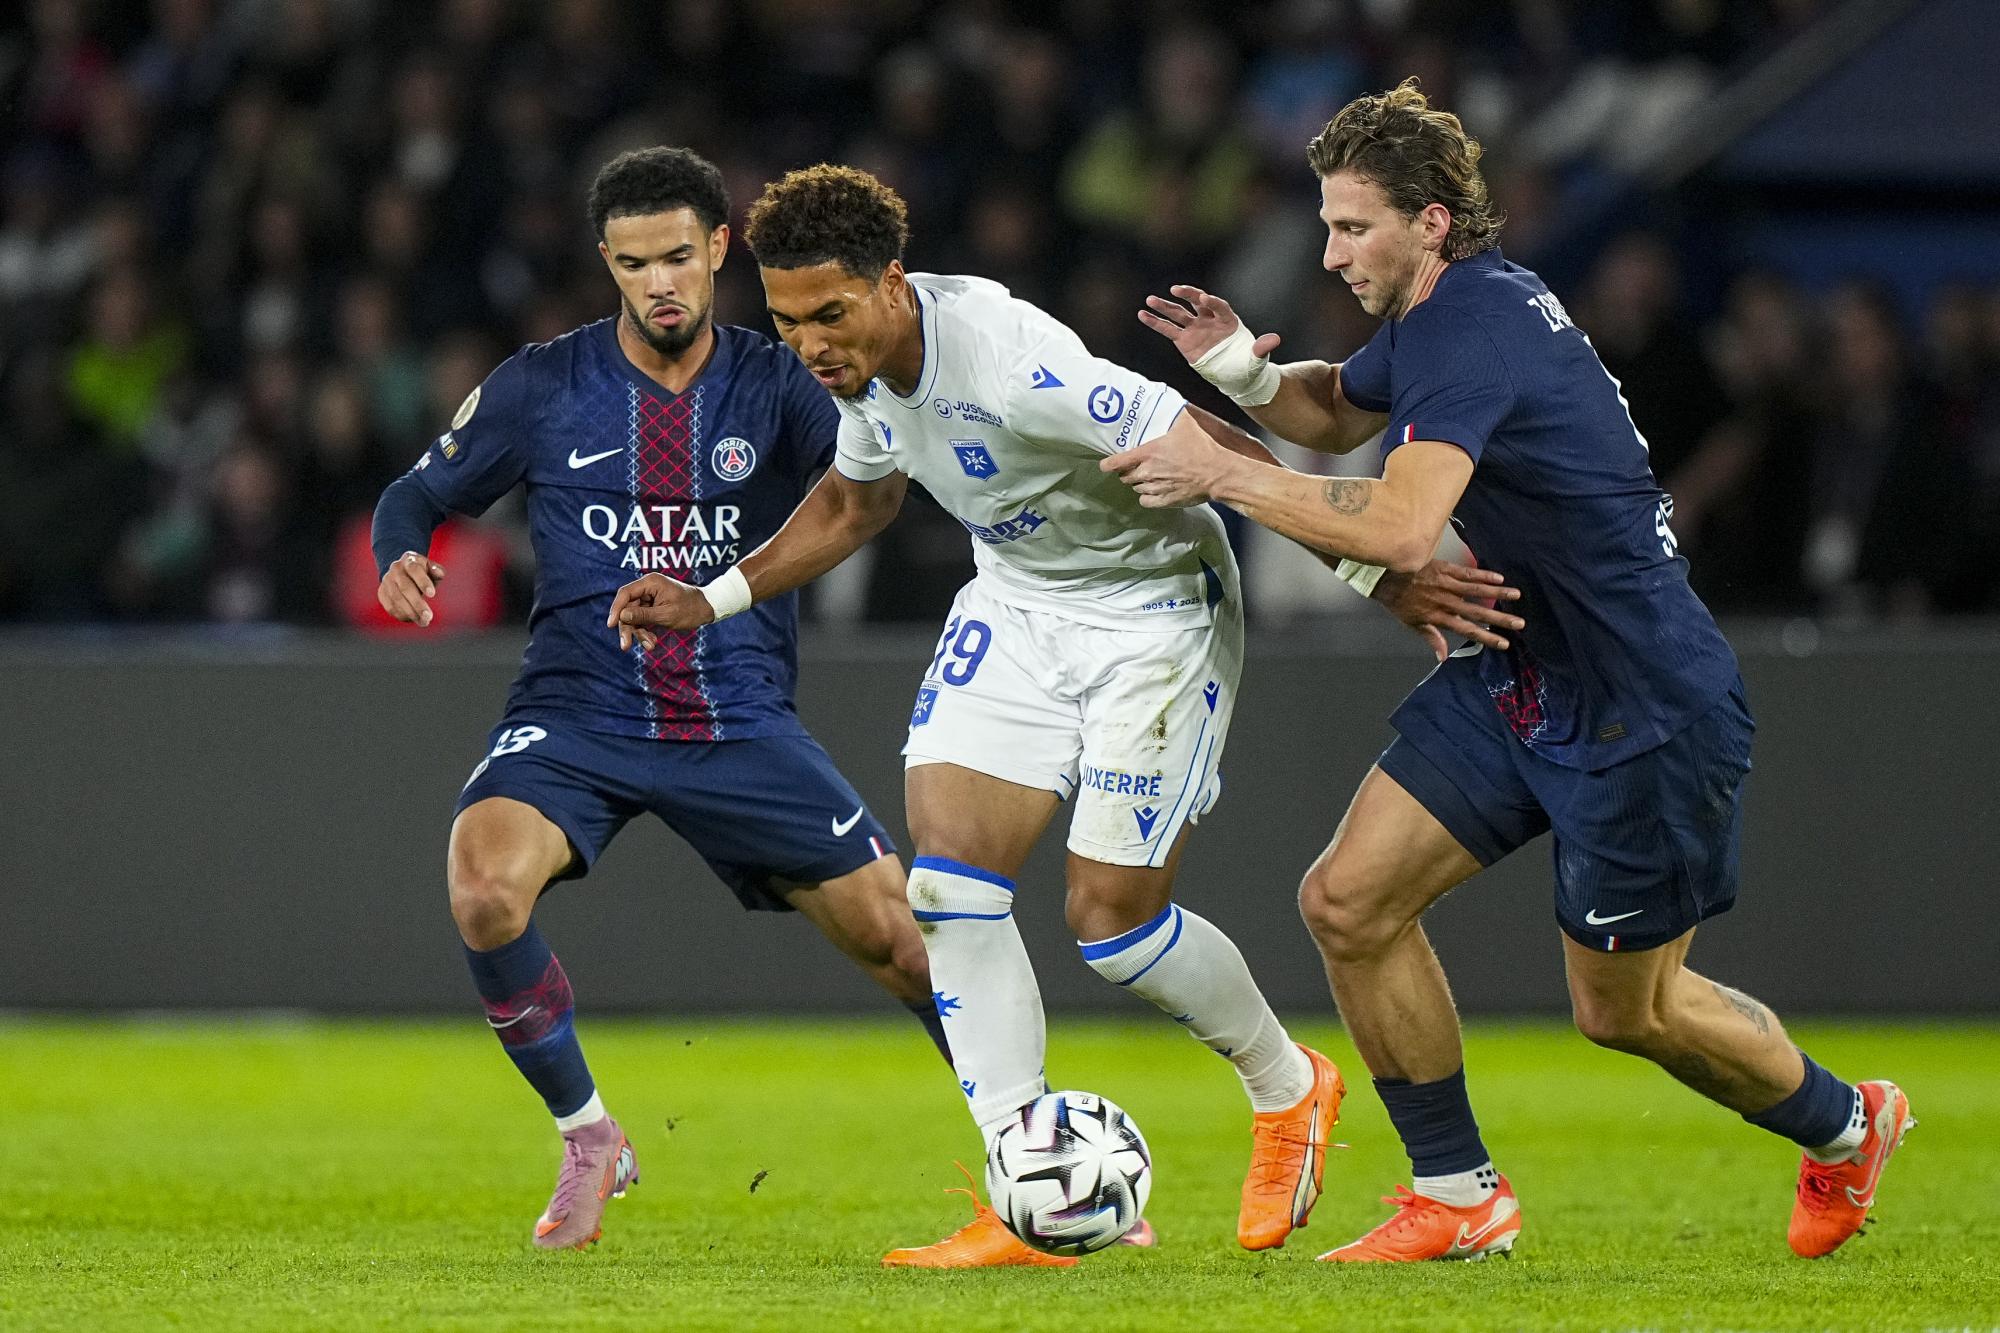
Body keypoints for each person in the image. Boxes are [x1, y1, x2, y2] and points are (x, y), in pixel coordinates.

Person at [607, 163, 1522, 1268]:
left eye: (830, 315)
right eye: (788, 320)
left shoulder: (1010, 362)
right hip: (1020, 601)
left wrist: (1376, 579)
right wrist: (712, 595)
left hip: (1152, 610)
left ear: (891, 282)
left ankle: (1288, 1086)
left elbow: (1217, 450)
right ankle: (1022, 1192)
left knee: (1112, 925)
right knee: (945, 891)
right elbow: (859, 499)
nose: (809, 345)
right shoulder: (857, 371)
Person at [1110, 79, 1911, 1263]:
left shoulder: (1470, 331)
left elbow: (1394, 526)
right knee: (1345, 901)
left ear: (1430, 221)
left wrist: (1219, 470)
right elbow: (1335, 412)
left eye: (1352, 227)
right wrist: (1243, 376)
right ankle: (1456, 1191)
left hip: (1641, 709)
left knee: (1621, 1014)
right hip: (1519, 666)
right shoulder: (1450, 313)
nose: (1329, 253)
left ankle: (1846, 1124)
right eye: (1324, 225)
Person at [369, 147, 946, 1252]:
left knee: (909, 946)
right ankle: (589, 1135)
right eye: (634, 264)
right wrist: (404, 550)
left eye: (680, 256)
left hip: (735, 716)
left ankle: (1033, 1150)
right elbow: (416, 492)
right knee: (484, 887)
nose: (660, 284)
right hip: (576, 710)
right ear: (608, 263)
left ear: (721, 249)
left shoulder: (782, 380)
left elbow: (865, 489)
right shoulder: (542, 383)